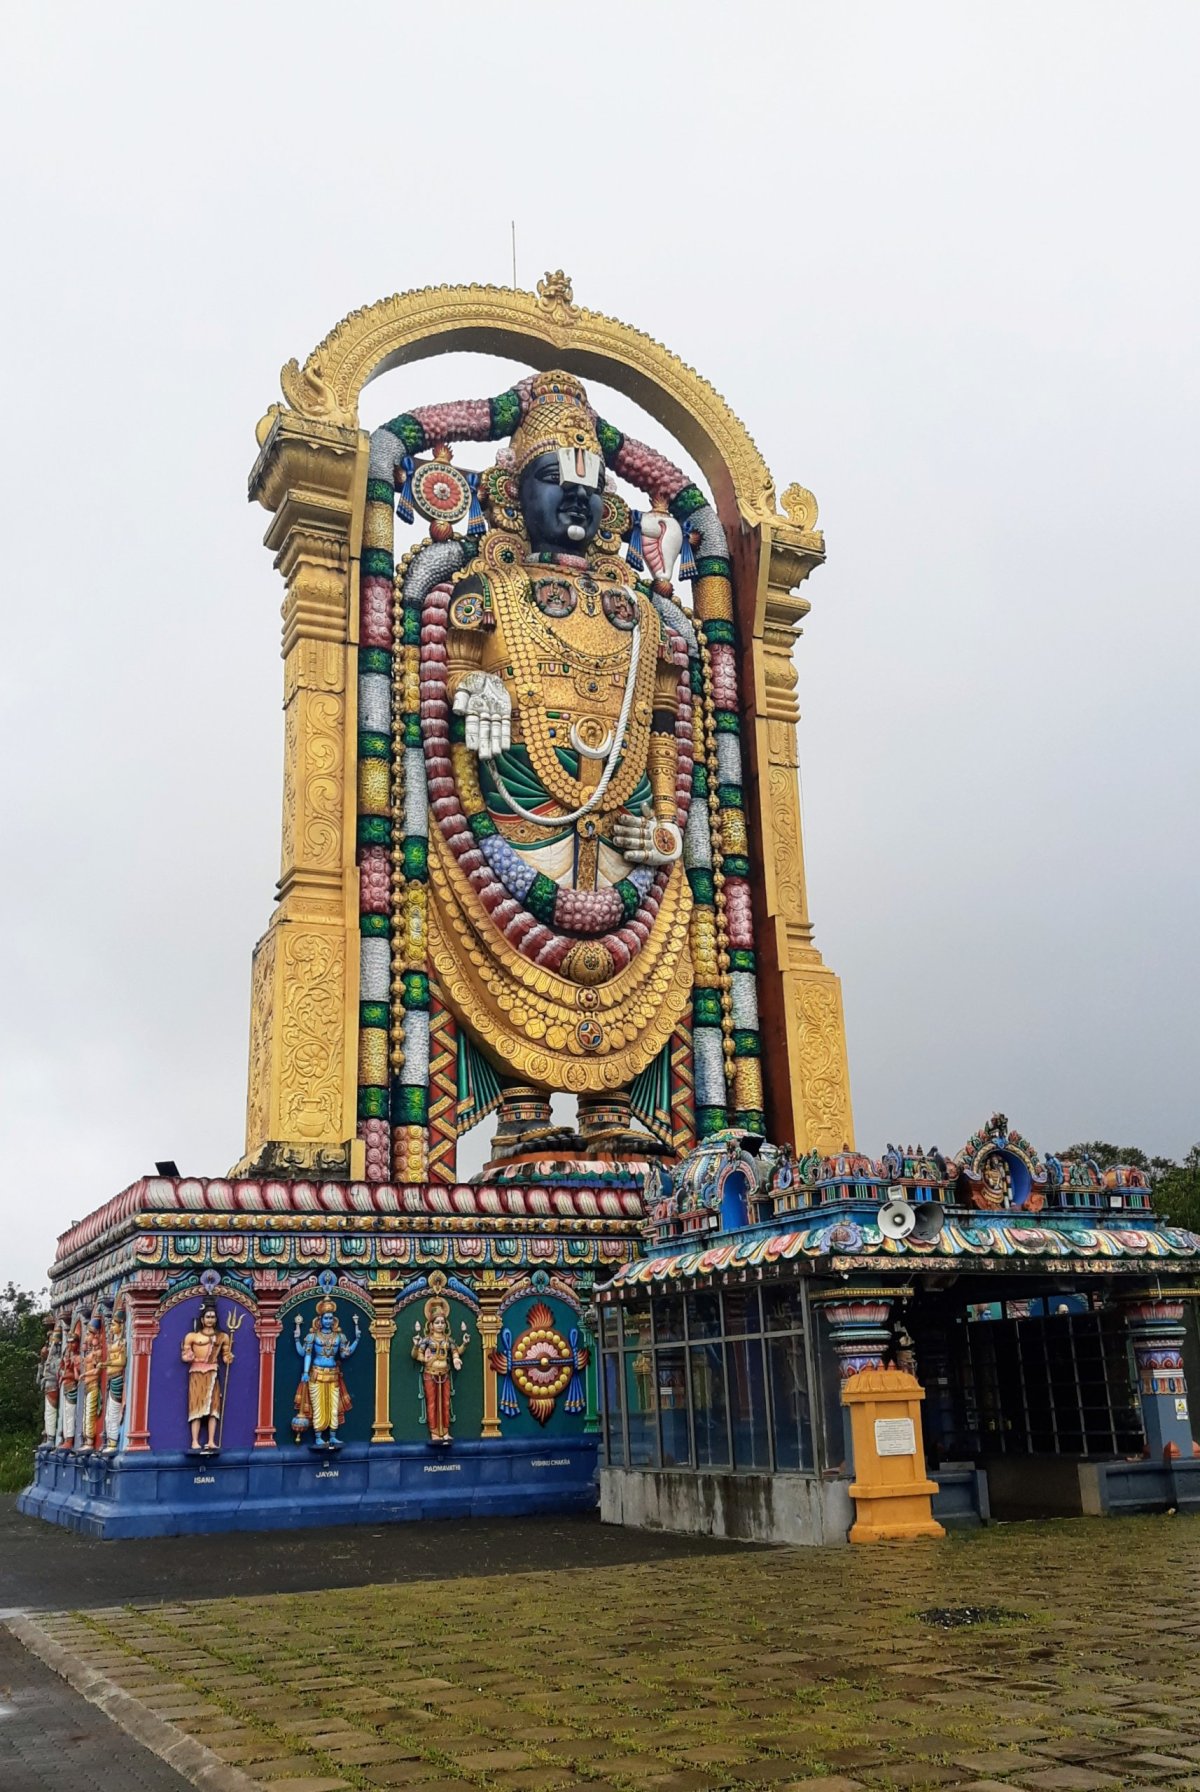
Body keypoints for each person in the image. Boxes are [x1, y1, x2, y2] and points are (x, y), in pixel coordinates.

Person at [294, 1299, 360, 1449]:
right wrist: (305, 1371)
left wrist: (357, 1339)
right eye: (326, 1318)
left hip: (333, 1375)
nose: (328, 1321)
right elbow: (306, 1354)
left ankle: (333, 1436)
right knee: (318, 1407)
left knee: (333, 1407)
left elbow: (344, 1355)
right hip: (316, 1375)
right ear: (320, 1319)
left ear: (334, 1320)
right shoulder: (313, 1336)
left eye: (331, 1318)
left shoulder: (339, 1337)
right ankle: (318, 1437)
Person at [412, 1298, 469, 1445]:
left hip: (444, 1374)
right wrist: (420, 1353)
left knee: (445, 1402)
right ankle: (434, 1433)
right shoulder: (426, 1340)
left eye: (442, 1322)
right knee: (432, 1403)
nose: (440, 1325)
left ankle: (445, 1432)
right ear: (430, 1325)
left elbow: (456, 1352)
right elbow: (416, 1355)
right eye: (436, 1322)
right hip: (430, 1373)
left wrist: (464, 1345)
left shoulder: (448, 1340)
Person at [181, 1300, 233, 1453]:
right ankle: (195, 1441)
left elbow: (225, 1356)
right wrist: (188, 1356)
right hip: (197, 1373)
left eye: (213, 1317)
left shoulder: (223, 1337)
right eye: (208, 1317)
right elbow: (185, 1355)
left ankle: (211, 1441)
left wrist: (228, 1357)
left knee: (213, 1409)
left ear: (216, 1319)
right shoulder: (192, 1336)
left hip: (212, 1373)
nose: (210, 1320)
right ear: (202, 1319)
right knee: (196, 1408)